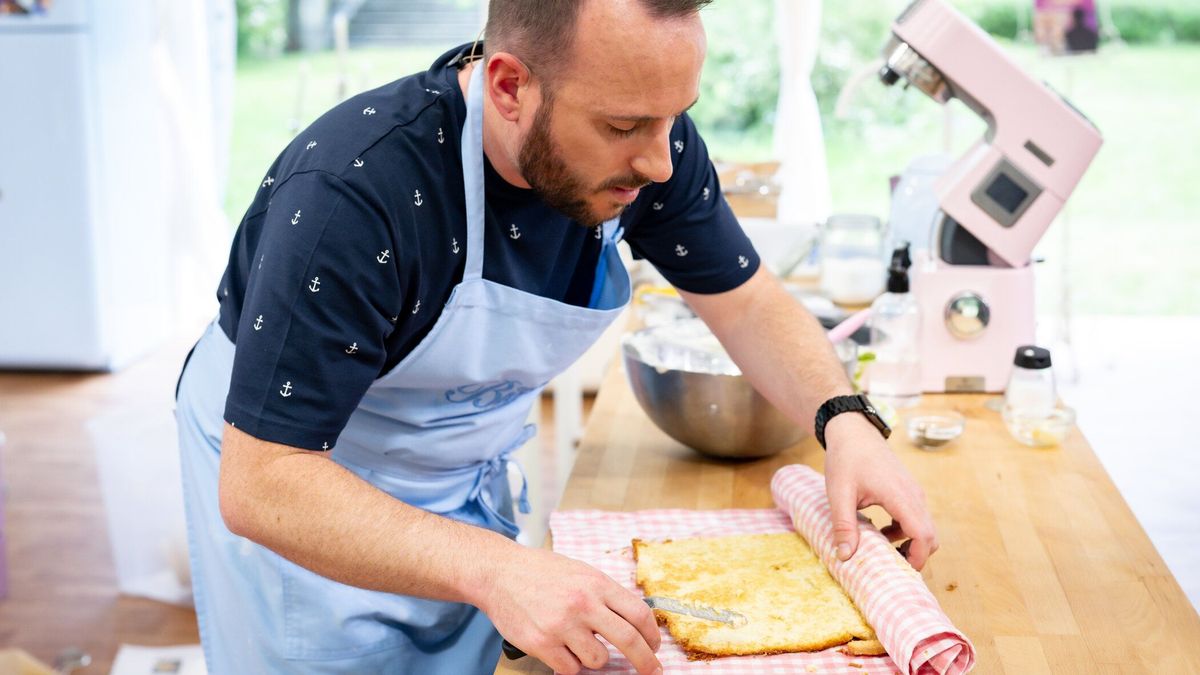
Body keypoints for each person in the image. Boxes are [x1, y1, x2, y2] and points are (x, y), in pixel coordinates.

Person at [174, 0, 938, 673]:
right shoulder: (357, 195)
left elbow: (744, 301)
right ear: (510, 86)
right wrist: (493, 569)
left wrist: (845, 419)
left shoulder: (650, 139)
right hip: (306, 498)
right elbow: (263, 482)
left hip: (457, 487)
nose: (659, 161)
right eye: (623, 126)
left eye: (675, 118)